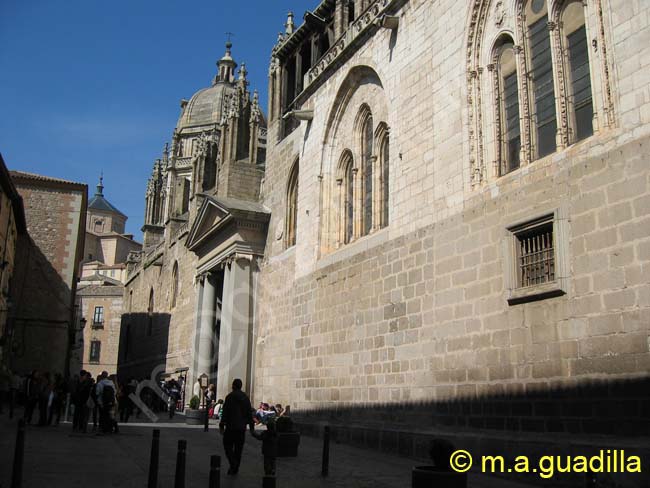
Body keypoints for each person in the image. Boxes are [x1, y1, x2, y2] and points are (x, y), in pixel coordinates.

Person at [219, 378, 254, 475]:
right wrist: (251, 427)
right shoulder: (245, 398)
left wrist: (222, 424)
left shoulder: (229, 397)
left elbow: (225, 412)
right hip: (241, 428)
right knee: (238, 449)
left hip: (231, 427)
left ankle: (233, 463)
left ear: (233, 386)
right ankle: (235, 467)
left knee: (227, 446)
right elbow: (249, 413)